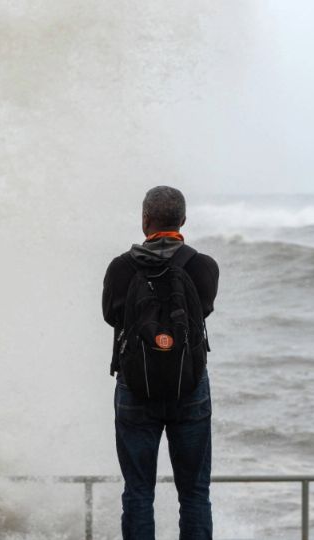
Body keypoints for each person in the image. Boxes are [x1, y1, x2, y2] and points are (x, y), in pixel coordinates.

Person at [102, 186, 219, 539]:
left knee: (138, 492)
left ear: (144, 220)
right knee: (195, 494)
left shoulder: (121, 268)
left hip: (136, 388)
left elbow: (111, 316)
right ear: (183, 221)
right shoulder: (203, 266)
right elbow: (206, 310)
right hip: (190, 384)